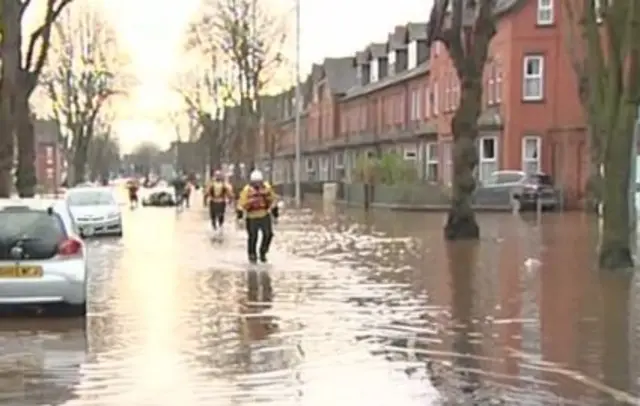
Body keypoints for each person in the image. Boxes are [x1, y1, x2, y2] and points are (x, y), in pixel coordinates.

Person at [236, 169, 278, 263]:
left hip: (264, 215)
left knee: (268, 234)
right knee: (253, 237)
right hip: (251, 217)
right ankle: (252, 255)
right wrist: (240, 218)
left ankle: (263, 251)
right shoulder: (247, 190)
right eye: (255, 182)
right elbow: (240, 204)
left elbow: (273, 201)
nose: (257, 184)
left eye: (259, 182)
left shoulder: (267, 188)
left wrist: (275, 216)